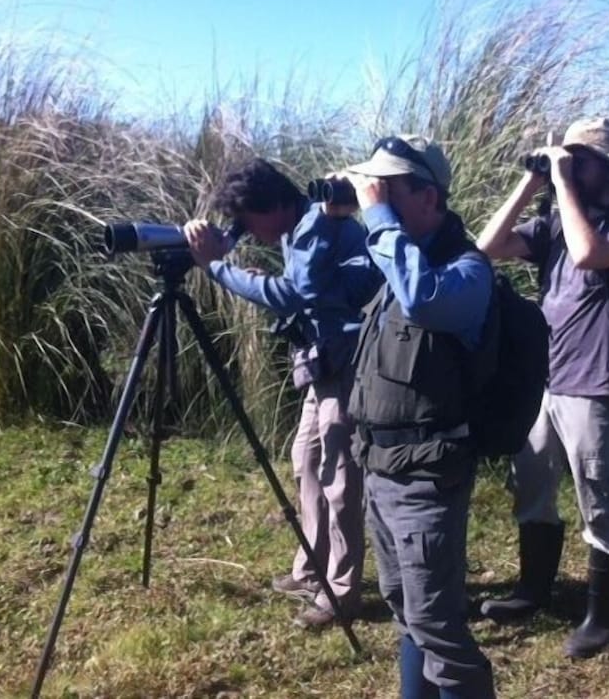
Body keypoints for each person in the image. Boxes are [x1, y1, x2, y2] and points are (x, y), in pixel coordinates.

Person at [476, 118, 609, 658]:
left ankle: (603, 615)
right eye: (567, 156)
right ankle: (533, 589)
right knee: (530, 485)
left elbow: (587, 254)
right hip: (543, 379)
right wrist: (533, 184)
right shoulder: (551, 218)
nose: (572, 164)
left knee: (599, 498)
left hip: (593, 383)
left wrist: (562, 184)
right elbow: (486, 247)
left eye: (581, 158)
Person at [184, 157, 381, 629]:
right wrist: (221, 238)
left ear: (273, 206)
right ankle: (313, 567)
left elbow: (292, 294)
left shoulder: (315, 223)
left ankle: (340, 593)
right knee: (306, 460)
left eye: (250, 219)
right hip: (323, 359)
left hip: (347, 361)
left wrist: (216, 267)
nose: (249, 229)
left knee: (338, 476)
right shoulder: (299, 219)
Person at [343, 135, 497, 698]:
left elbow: (422, 301)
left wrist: (378, 218)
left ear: (429, 197)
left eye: (388, 189)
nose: (374, 198)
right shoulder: (394, 258)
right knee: (405, 611)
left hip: (427, 478)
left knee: (438, 626)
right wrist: (334, 218)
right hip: (381, 470)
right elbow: (314, 289)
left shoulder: (464, 271)